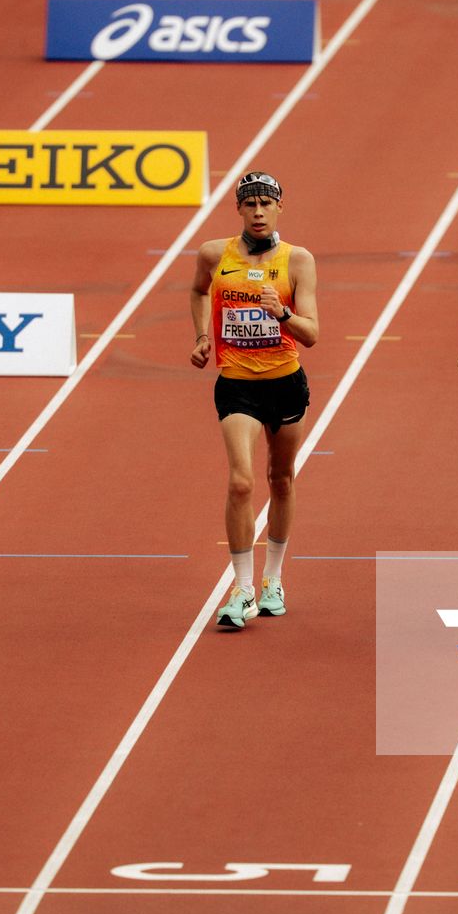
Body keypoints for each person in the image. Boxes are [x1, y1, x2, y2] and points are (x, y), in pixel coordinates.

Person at [191, 172, 319, 630]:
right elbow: (197, 290)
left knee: (280, 479)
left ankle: (273, 580)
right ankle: (242, 587)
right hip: (236, 384)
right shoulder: (213, 254)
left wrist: (281, 313)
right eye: (251, 204)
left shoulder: (298, 261)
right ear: (239, 209)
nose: (259, 211)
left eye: (267, 203)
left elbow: (313, 334)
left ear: (280, 207)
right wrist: (204, 335)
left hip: (285, 383)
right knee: (242, 482)